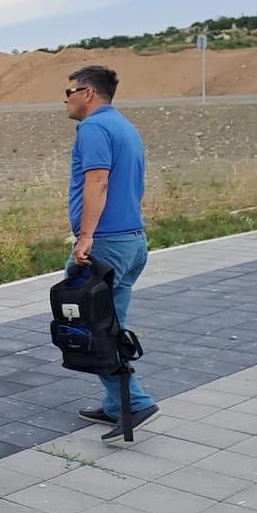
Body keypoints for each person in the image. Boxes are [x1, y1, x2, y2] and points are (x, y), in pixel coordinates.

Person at [64, 65, 160, 441]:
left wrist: (86, 236)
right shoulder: (124, 126)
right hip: (132, 240)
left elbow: (98, 180)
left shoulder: (93, 128)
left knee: (90, 325)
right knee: (109, 323)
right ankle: (115, 404)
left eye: (69, 91)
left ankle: (134, 402)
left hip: (105, 244)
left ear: (87, 93)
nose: (66, 99)